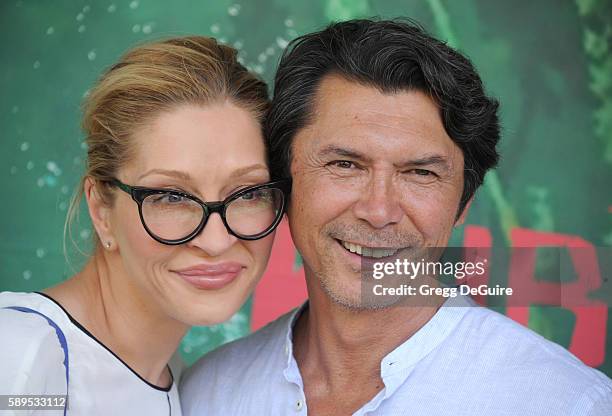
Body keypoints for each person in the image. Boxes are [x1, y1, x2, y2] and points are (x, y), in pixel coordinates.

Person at [181, 19, 612, 415]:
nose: (379, 211)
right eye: (345, 165)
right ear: (285, 182)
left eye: (420, 173)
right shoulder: (209, 392)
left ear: (463, 202)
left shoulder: (566, 402)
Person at [0, 36, 290, 415]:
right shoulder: (22, 356)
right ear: (101, 208)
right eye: (171, 197)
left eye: (249, 193)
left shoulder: (185, 387)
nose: (217, 241)